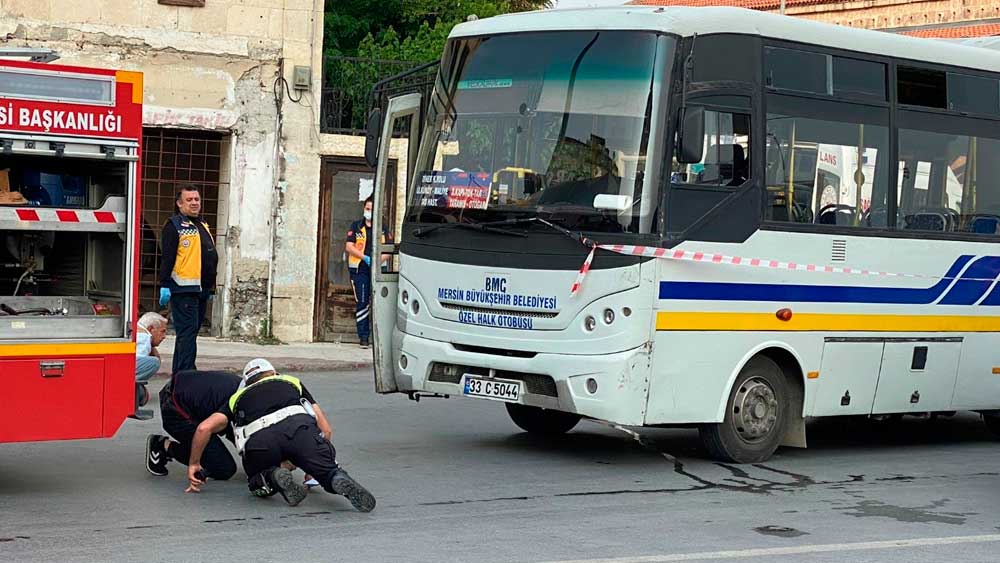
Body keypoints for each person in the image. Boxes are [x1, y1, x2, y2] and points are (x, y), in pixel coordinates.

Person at [185, 359, 376, 511]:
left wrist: (194, 463)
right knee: (326, 470)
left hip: (261, 443)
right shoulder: (292, 382)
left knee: (256, 479)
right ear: (274, 373)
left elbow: (204, 428)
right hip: (301, 433)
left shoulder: (236, 399)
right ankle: (335, 477)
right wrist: (315, 463)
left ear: (246, 383)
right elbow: (325, 429)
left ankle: (272, 476)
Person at [158, 186, 218, 374]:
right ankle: (185, 374)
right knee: (187, 334)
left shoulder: (202, 225)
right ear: (179, 203)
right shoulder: (174, 225)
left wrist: (209, 288)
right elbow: (167, 257)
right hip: (184, 290)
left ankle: (184, 374)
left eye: (196, 199)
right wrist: (165, 284)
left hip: (200, 290)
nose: (194, 203)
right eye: (189, 199)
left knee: (191, 335)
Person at [145, 369, 241, 480]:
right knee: (223, 468)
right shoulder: (240, 402)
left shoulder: (245, 387)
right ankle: (162, 446)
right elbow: (204, 429)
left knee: (224, 429)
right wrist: (194, 463)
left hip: (183, 391)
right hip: (176, 409)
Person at [345, 197, 388, 349]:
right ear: (364, 209)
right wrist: (365, 258)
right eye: (367, 209)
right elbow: (349, 246)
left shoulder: (382, 228)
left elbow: (389, 249)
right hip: (360, 269)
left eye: (372, 209)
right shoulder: (356, 226)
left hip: (378, 269)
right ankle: (364, 337)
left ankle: (379, 336)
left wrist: (376, 262)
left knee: (378, 303)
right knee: (362, 302)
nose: (369, 212)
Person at [135, 312, 167, 408]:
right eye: (162, 331)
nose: (164, 336)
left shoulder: (137, 331)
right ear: (151, 329)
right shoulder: (145, 338)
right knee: (154, 362)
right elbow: (137, 360)